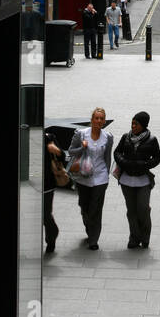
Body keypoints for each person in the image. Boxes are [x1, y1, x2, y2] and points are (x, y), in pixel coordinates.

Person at [114, 111, 160, 249]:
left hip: (143, 181)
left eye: (136, 124)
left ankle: (145, 237)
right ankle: (134, 238)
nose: (133, 126)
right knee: (131, 211)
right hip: (126, 180)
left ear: (144, 125)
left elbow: (157, 158)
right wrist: (124, 161)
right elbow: (117, 152)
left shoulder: (152, 140)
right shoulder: (125, 137)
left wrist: (145, 165)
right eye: (132, 123)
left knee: (143, 209)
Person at [66, 107, 113, 250]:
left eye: (101, 119)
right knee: (84, 207)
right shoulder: (81, 134)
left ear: (104, 121)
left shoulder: (108, 137)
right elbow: (70, 150)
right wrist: (82, 147)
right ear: (92, 120)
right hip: (83, 177)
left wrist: (107, 175)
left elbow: (107, 157)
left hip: (100, 177)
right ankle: (89, 226)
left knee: (96, 209)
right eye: (96, 118)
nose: (99, 121)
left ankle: (93, 240)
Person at [42, 129, 66, 254]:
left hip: (46, 183)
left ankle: (51, 236)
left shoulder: (48, 137)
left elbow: (62, 156)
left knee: (45, 214)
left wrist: (56, 150)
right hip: (28, 183)